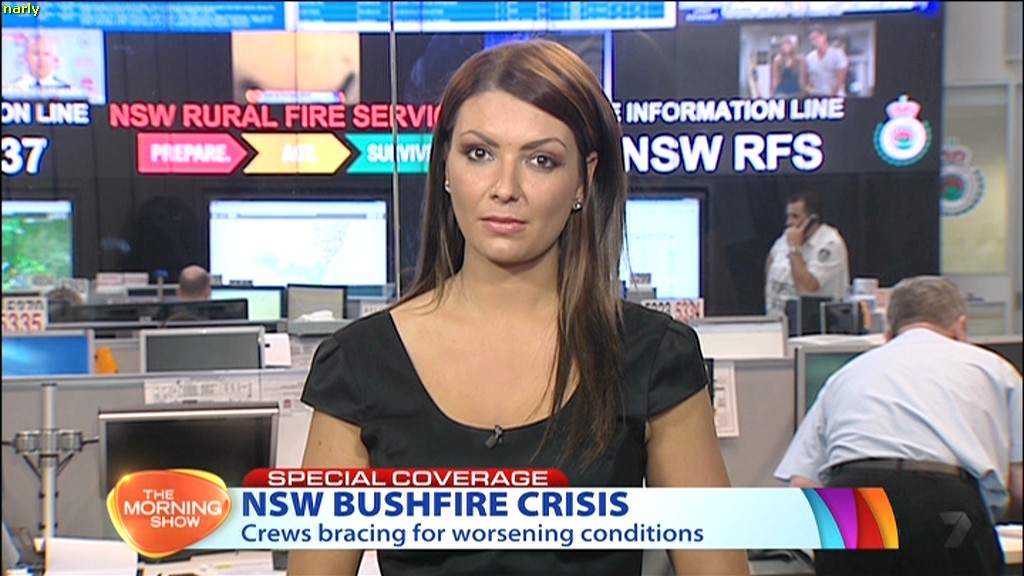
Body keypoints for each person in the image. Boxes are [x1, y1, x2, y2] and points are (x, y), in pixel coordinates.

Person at [291, 39, 749, 576]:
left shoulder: (653, 358)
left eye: (541, 160)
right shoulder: (359, 364)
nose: (505, 188)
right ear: (446, 167)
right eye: (479, 154)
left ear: (584, 180)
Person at [774, 276, 1023, 576]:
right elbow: (1019, 483)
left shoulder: (846, 374)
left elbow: (803, 483)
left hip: (852, 502)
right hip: (945, 506)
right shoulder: (995, 369)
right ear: (961, 327)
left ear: (889, 332)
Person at [764, 191, 849, 318]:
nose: (789, 222)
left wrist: (795, 249)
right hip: (777, 319)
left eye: (795, 217)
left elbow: (806, 288)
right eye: (788, 216)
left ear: (812, 220)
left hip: (813, 323)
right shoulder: (786, 237)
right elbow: (770, 264)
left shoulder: (830, 244)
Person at [802, 25, 847, 97]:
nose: (815, 41)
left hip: (836, 96)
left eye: (817, 37)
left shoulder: (838, 54)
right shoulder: (809, 58)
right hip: (817, 97)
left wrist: (832, 95)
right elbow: (807, 79)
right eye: (812, 39)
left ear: (824, 36)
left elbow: (840, 78)